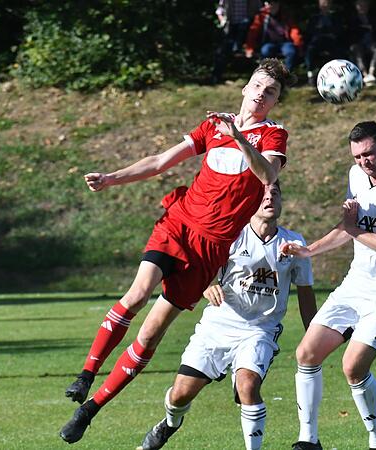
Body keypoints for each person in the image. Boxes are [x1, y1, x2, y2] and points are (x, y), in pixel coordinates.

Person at [59, 58, 295, 444]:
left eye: (270, 92)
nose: (261, 95)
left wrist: (237, 136)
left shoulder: (273, 135)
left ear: (274, 102)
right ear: (244, 88)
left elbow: (268, 176)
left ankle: (90, 410)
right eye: (256, 86)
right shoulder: (211, 126)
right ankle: (86, 375)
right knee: (136, 294)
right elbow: (159, 161)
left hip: (210, 248)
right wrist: (111, 178)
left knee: (150, 335)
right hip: (179, 224)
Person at [138, 182, 317, 450]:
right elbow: (204, 270)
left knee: (248, 386)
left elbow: (305, 292)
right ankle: (169, 424)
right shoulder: (232, 235)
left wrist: (313, 335)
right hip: (218, 326)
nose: (270, 199)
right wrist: (208, 284)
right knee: (179, 395)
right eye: (264, 195)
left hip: (260, 330)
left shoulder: (293, 243)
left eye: (275, 194)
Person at [282, 121, 376, 450]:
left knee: (352, 366)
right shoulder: (356, 176)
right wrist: (309, 250)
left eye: (369, 153)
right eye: (358, 156)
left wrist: (354, 228)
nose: (364, 162)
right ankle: (309, 441)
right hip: (355, 283)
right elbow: (349, 226)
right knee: (306, 352)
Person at [244, 1, 303, 72]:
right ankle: (266, 73)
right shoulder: (262, 16)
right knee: (265, 51)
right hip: (268, 43)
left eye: (272, 3)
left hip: (284, 42)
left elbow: (294, 31)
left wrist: (299, 45)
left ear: (278, 4)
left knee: (291, 51)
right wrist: (249, 48)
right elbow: (253, 32)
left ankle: (286, 75)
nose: (269, 5)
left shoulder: (285, 14)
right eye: (268, 3)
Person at [212, 0, 262, 84]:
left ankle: (236, 47)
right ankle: (216, 77)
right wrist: (222, 21)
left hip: (248, 28)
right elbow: (219, 11)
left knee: (244, 24)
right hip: (230, 26)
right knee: (221, 51)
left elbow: (260, 10)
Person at [304, 0, 345, 85]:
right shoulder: (314, 18)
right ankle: (311, 74)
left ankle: (339, 74)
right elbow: (309, 32)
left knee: (339, 51)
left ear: (331, 4)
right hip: (317, 42)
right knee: (310, 50)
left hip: (332, 41)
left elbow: (340, 31)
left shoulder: (335, 17)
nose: (325, 5)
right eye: (323, 3)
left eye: (327, 3)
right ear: (319, 5)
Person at [347, 0, 376, 85]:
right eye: (360, 5)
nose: (363, 8)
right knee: (357, 51)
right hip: (358, 43)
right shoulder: (353, 19)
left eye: (365, 5)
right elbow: (350, 33)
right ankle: (364, 74)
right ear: (356, 6)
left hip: (371, 43)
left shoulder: (373, 18)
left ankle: (371, 73)